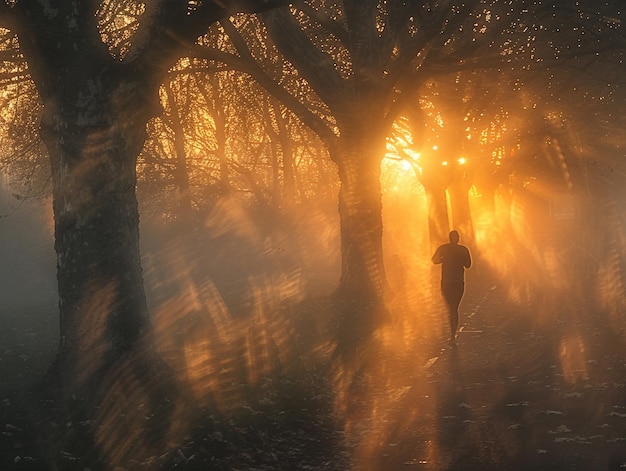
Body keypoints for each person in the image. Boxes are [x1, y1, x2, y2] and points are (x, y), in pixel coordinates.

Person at [432, 230, 472, 347]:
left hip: (446, 282)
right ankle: (452, 335)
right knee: (454, 308)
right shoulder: (463, 250)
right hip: (458, 282)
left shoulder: (443, 248)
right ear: (458, 238)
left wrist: (443, 259)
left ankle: (452, 334)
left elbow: (434, 260)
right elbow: (468, 265)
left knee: (451, 307)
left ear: (450, 238)